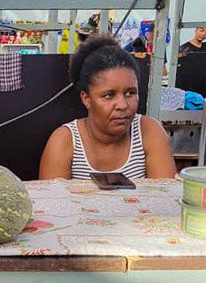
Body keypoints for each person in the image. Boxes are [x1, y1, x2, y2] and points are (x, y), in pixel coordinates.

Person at [39, 36, 176, 180]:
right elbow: (52, 200)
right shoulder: (64, 142)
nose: (123, 105)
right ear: (86, 99)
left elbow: (163, 196)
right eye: (109, 95)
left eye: (130, 93)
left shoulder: (149, 131)